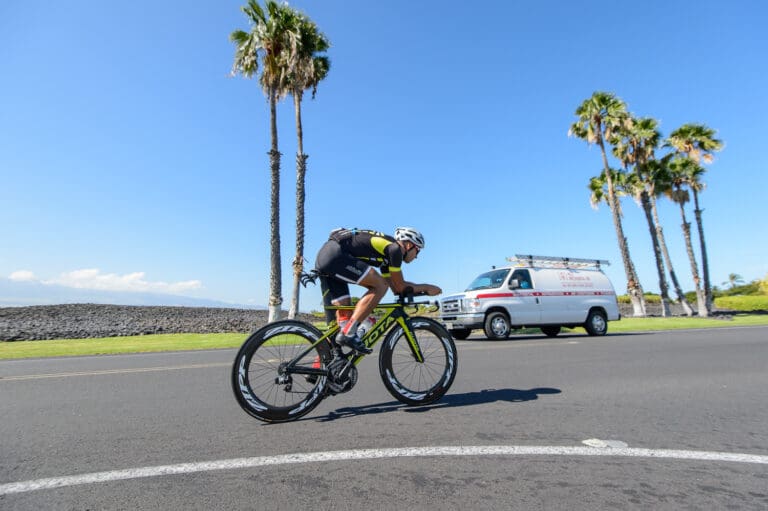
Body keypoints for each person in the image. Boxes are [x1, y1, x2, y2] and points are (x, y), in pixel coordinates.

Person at [314, 227, 442, 354]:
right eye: (418, 251)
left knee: (341, 324)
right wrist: (427, 287)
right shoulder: (395, 250)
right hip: (335, 255)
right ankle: (350, 332)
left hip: (328, 255)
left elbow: (396, 289)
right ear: (409, 245)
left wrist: (418, 291)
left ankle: (320, 367)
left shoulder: (386, 257)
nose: (416, 257)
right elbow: (399, 286)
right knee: (380, 285)